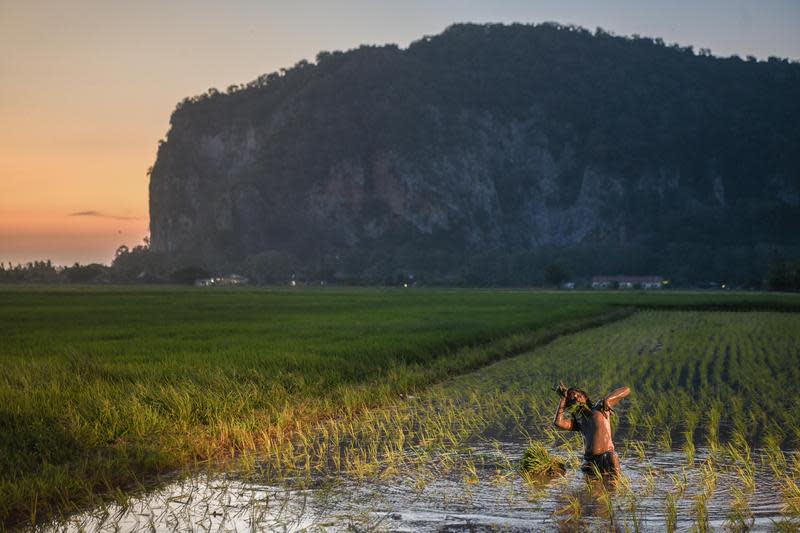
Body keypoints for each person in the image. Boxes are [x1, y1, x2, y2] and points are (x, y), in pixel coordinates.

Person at [552, 382, 630, 476]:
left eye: (578, 395)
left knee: (613, 457)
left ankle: (617, 485)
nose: (576, 397)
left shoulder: (601, 407)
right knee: (592, 488)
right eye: (573, 398)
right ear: (571, 404)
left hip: (607, 457)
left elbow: (626, 390)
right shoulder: (579, 422)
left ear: (585, 396)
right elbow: (558, 423)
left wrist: (608, 399)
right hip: (589, 461)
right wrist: (563, 399)